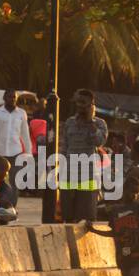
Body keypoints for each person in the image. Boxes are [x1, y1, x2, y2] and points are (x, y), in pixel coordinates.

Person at [59, 89, 109, 222]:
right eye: (78, 102)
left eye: (84, 102)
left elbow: (99, 141)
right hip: (69, 175)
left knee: (86, 218)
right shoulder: (69, 122)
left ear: (92, 105)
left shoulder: (99, 124)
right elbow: (65, 147)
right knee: (67, 216)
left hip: (89, 176)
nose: (80, 105)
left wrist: (89, 121)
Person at [0, 88, 32, 174]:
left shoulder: (22, 113)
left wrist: (28, 153)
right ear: (4, 98)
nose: (12, 99)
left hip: (16, 153)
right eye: (9, 97)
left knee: (14, 181)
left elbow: (25, 134)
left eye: (14, 97)